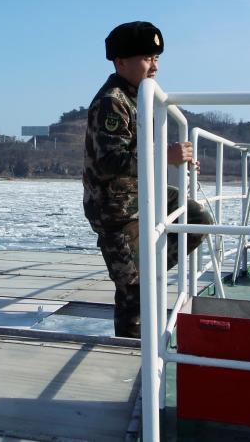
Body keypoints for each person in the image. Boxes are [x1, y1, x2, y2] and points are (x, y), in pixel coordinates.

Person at [83, 21, 213, 339]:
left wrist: (174, 158)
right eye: (147, 57)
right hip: (114, 207)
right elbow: (109, 163)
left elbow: (144, 151)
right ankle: (130, 351)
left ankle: (145, 269)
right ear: (121, 62)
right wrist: (164, 157)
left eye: (157, 57)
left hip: (142, 193)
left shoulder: (141, 97)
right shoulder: (113, 101)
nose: (154, 65)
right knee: (132, 294)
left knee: (195, 217)